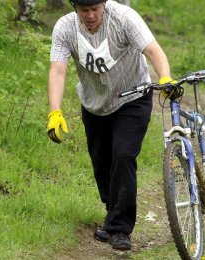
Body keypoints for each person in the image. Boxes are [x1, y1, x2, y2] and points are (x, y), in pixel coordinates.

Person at [47, 0, 174, 251]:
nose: (91, 15)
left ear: (104, 4)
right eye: (84, 10)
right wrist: (55, 111)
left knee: (124, 156)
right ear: (75, 9)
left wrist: (165, 76)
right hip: (94, 103)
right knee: (102, 163)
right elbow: (58, 70)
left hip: (133, 97)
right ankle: (113, 211)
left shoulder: (125, 18)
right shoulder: (65, 28)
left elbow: (153, 50)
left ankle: (120, 229)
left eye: (95, 9)